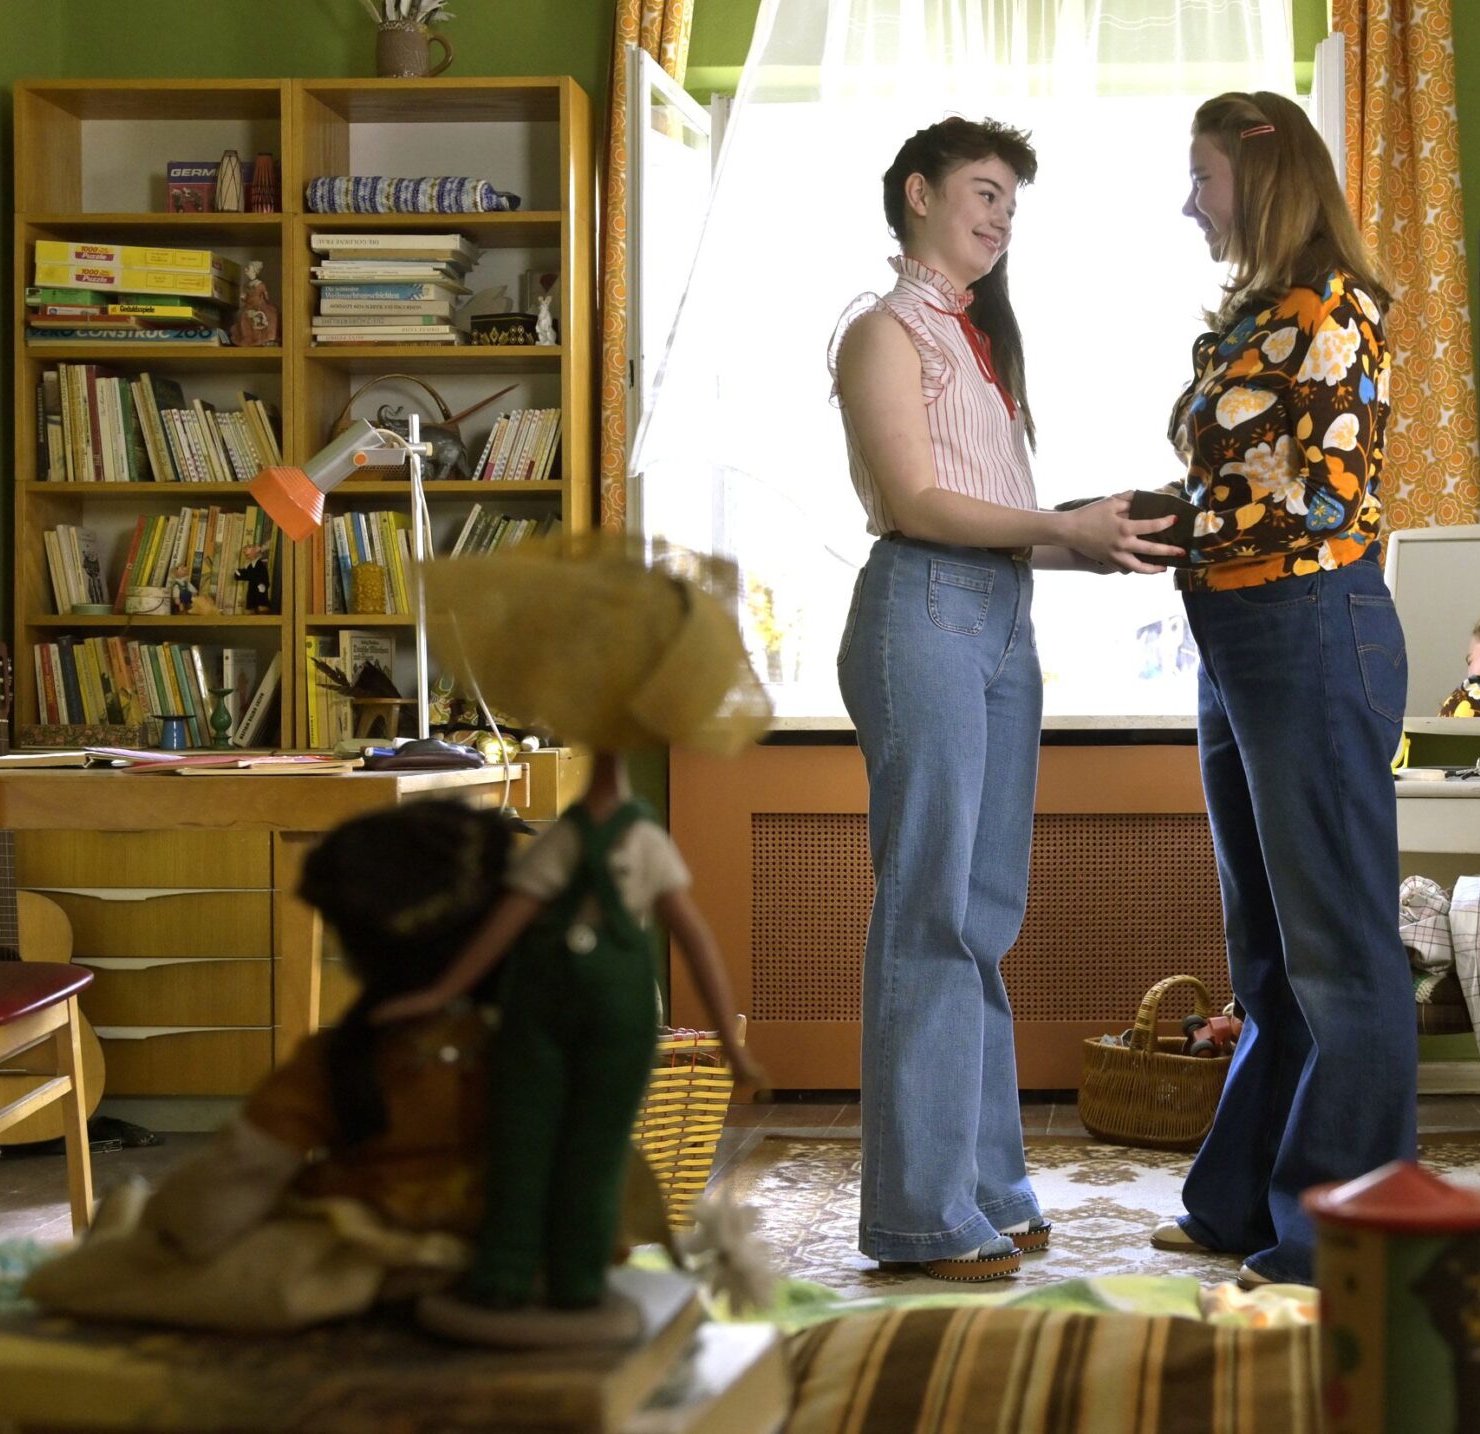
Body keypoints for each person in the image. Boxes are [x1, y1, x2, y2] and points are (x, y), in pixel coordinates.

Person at [831, 117, 1181, 1283]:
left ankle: (983, 1188)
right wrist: (1059, 528)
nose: (1001, 216)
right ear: (918, 194)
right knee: (931, 912)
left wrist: (1093, 537)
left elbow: (992, 517)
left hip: (993, 615)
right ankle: (919, 1217)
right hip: (922, 609)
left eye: (1011, 204)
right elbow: (913, 502)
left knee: (980, 917)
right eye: (984, 192)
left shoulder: (974, 341)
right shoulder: (882, 331)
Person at [367, 533, 771, 1345]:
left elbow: (684, 935)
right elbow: (520, 922)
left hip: (595, 1014)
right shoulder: (600, 841)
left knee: (576, 1148)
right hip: (568, 1011)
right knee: (534, 1142)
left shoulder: (627, 842)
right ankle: (521, 1274)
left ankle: (560, 1278)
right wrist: (443, 992)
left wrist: (732, 1042)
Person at [1148, 90, 1415, 1287]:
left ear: (1257, 180)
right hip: (1240, 632)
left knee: (1340, 955)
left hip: (1307, 623)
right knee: (1266, 954)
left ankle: (1341, 1239)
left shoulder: (1331, 309)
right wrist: (1166, 523)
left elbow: (1327, 500)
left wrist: (1193, 526)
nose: (1189, 203)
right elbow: (1252, 482)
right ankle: (1242, 1204)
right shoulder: (1258, 317)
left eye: (1200, 178)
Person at [21, 801, 521, 1331]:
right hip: (506, 1259)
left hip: (354, 1264)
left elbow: (230, 1187)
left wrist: (170, 1230)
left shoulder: (343, 1058)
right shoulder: (522, 1038)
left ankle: (126, 1223)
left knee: (91, 1275)